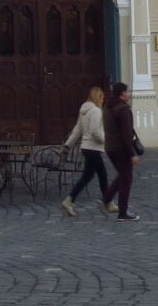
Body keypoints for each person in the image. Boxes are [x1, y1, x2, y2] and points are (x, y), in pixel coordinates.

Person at [60, 85, 107, 217]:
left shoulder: (84, 110)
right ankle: (107, 202)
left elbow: (77, 131)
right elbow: (95, 132)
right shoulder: (96, 111)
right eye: (102, 97)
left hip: (86, 148)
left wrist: (67, 145)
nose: (103, 100)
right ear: (98, 97)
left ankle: (69, 200)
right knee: (101, 175)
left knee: (90, 176)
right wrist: (105, 140)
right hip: (93, 148)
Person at [101, 81, 142, 222]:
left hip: (110, 147)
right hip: (121, 149)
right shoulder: (123, 110)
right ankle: (123, 212)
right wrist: (132, 154)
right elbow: (126, 135)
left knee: (123, 175)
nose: (129, 94)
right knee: (126, 179)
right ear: (122, 94)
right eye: (127, 91)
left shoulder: (108, 107)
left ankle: (107, 198)